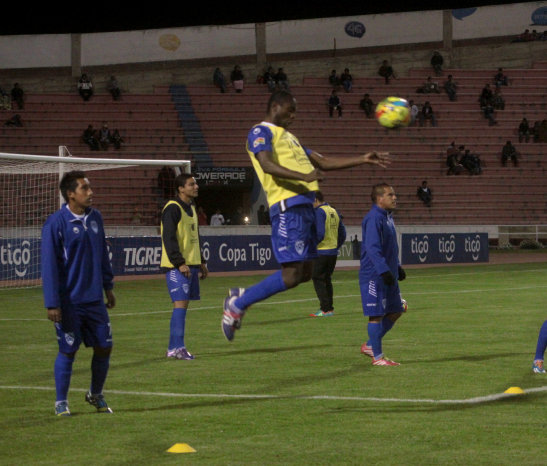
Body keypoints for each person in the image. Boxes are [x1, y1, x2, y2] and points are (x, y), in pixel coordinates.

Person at [221, 90, 391, 341]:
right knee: (291, 275)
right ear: (276, 106)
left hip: (307, 209)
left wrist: (363, 159)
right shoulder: (260, 132)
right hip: (288, 208)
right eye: (290, 111)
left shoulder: (291, 138)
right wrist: (304, 177)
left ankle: (241, 296)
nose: (293, 116)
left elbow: (322, 161)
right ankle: (238, 305)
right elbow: (266, 164)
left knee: (307, 273)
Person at [41, 170, 115, 416]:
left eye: (90, 187)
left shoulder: (96, 218)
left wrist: (108, 286)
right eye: (85, 188)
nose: (91, 192)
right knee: (68, 349)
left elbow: (103, 256)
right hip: (69, 303)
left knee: (105, 346)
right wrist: (52, 303)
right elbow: (50, 265)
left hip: (95, 300)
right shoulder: (56, 223)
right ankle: (61, 402)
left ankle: (95, 394)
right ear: (70, 194)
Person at [160, 173, 208, 360]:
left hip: (191, 264)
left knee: (183, 306)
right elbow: (169, 238)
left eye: (195, 183)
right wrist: (179, 262)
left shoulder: (192, 208)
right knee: (180, 305)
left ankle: (174, 348)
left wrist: (201, 261)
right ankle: (177, 348)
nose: (195, 187)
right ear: (181, 188)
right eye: (191, 184)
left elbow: (195, 238)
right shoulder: (172, 208)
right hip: (177, 266)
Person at [359, 183, 407, 366]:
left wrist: (397, 267)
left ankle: (371, 345)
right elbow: (372, 248)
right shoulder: (373, 218)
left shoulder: (387, 217)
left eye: (394, 194)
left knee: (397, 310)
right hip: (374, 274)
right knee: (376, 314)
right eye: (390, 195)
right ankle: (377, 358)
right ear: (380, 198)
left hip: (388, 272)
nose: (395, 198)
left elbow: (390, 248)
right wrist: (383, 270)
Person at [309, 190, 346, 317]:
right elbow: (342, 232)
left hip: (321, 251)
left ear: (315, 200)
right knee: (326, 279)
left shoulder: (319, 212)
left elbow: (319, 233)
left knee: (317, 278)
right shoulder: (333, 210)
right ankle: (329, 309)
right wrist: (336, 246)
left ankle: (325, 309)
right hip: (332, 253)